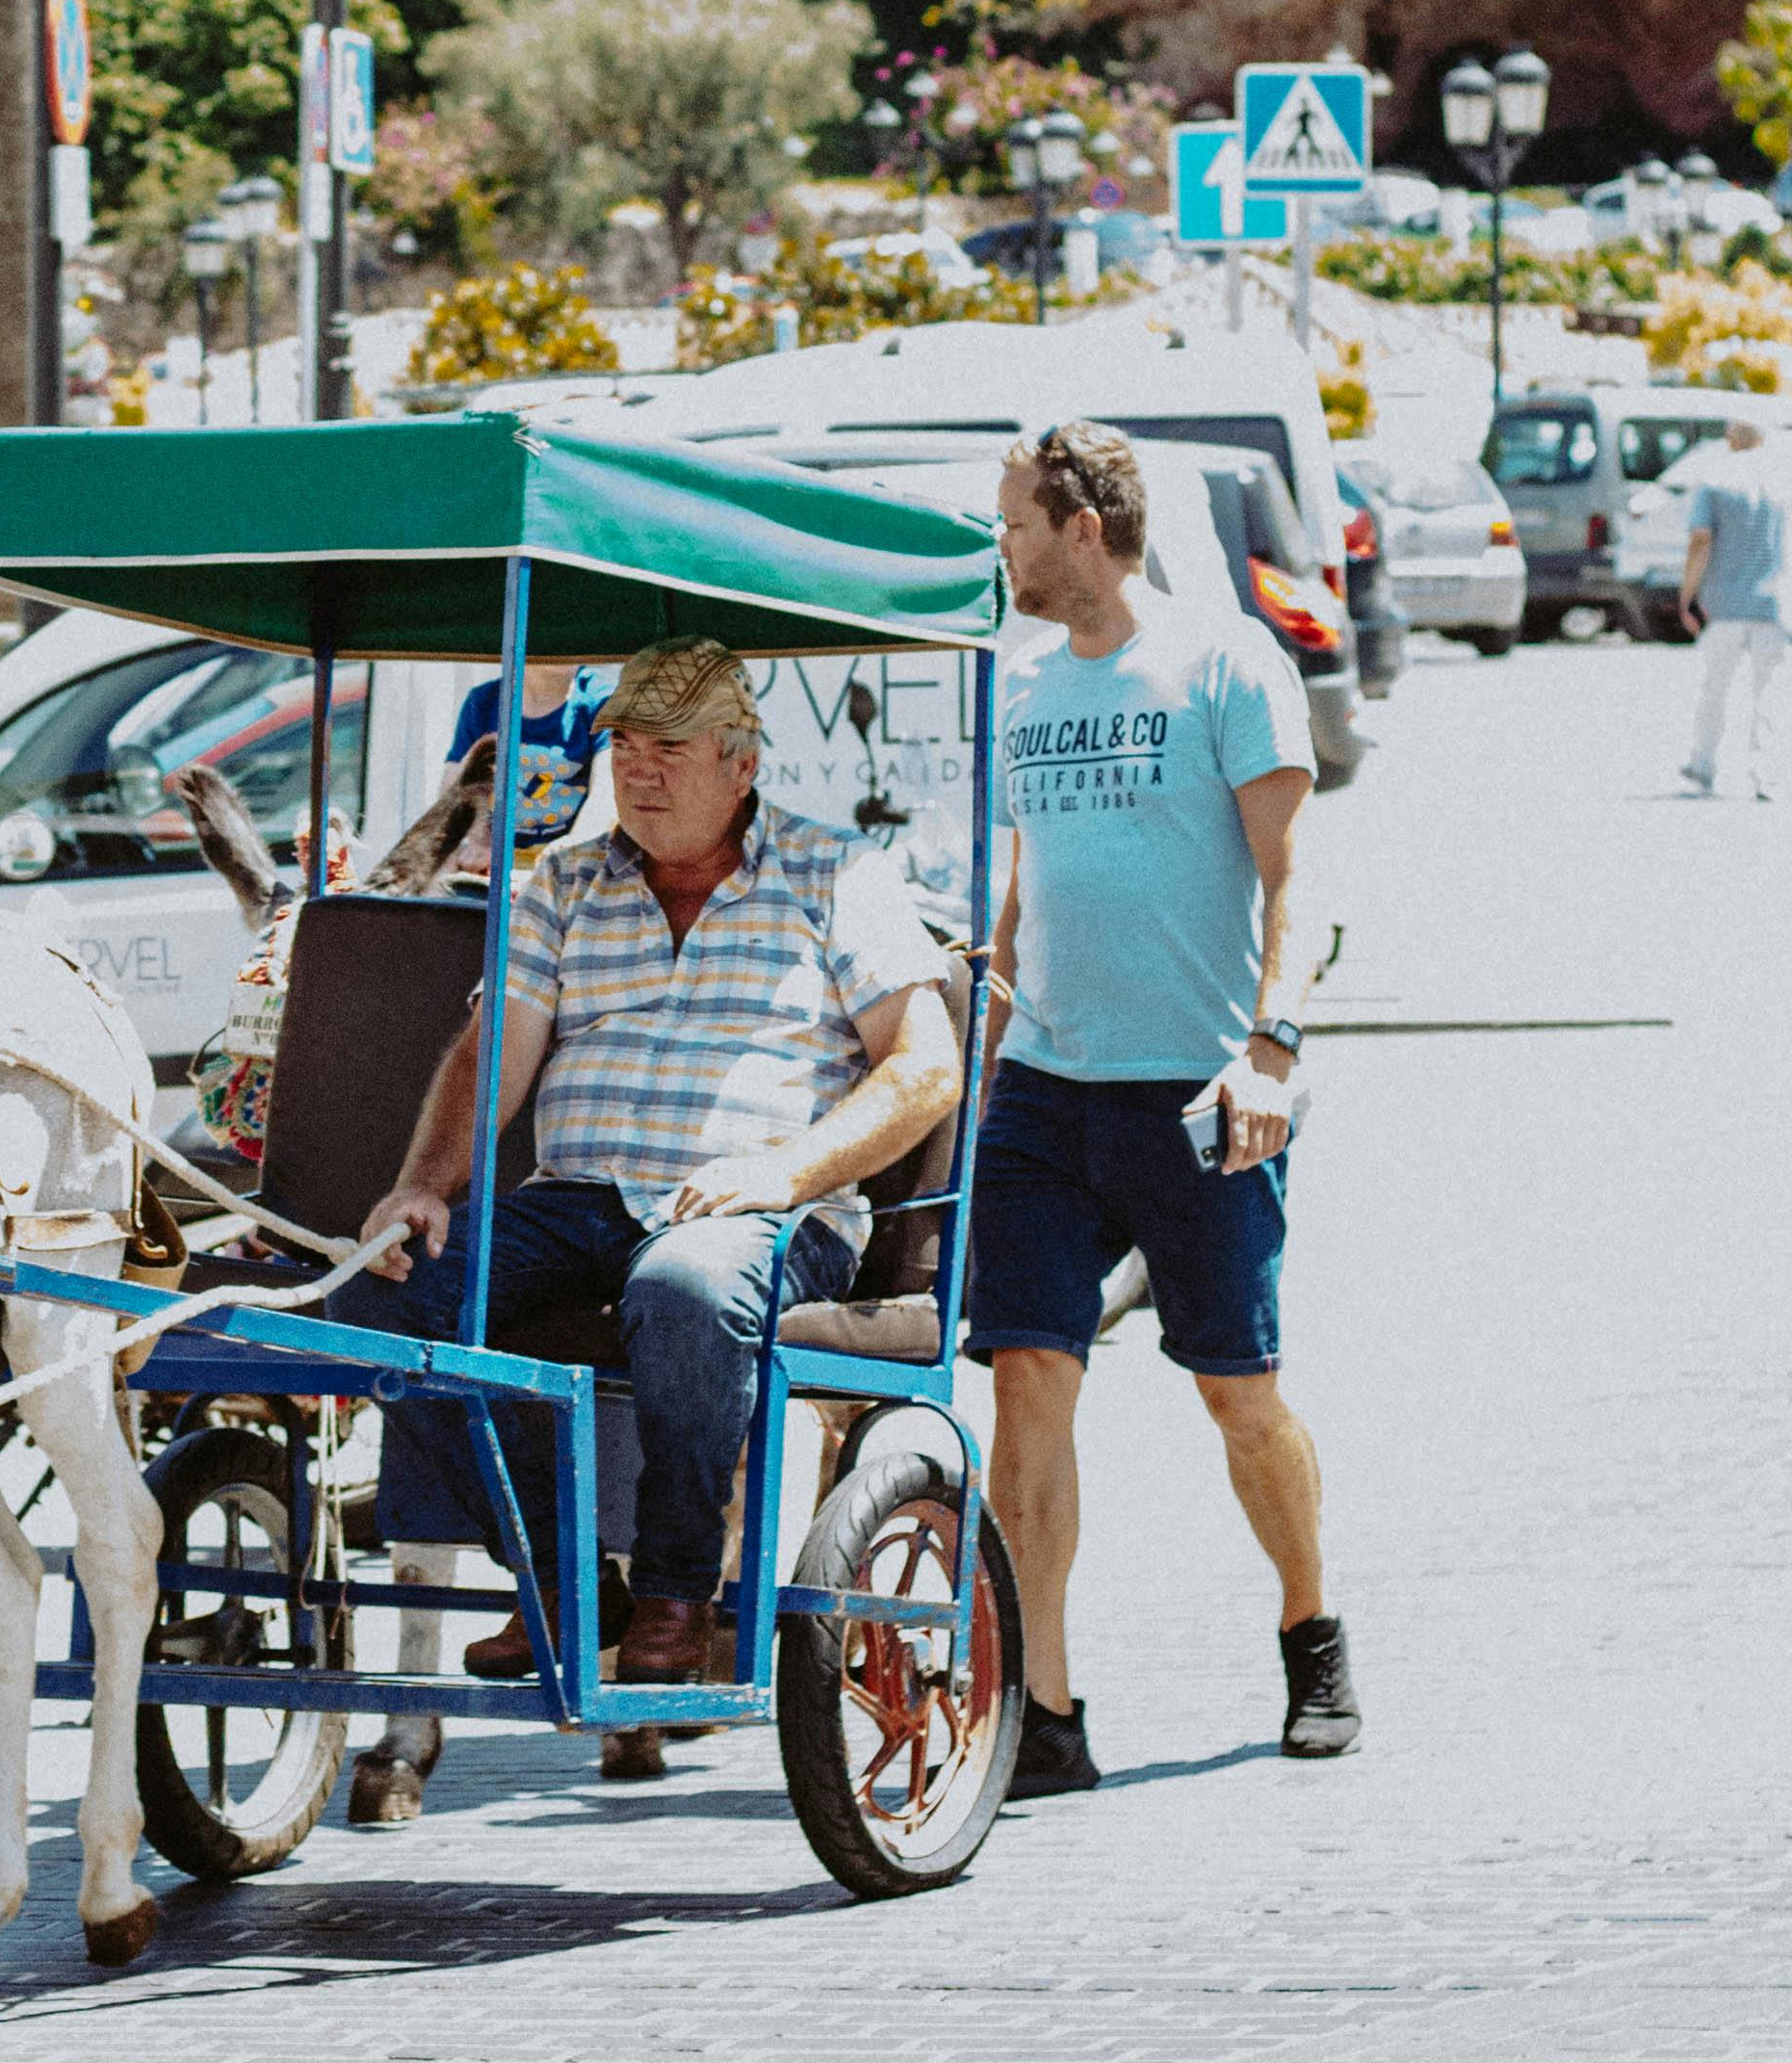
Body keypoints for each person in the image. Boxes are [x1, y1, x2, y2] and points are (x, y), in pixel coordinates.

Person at [346, 637, 960, 1813]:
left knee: (683, 1285)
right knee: (394, 1282)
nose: (639, 771)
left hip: (764, 1206)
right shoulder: (561, 884)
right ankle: (572, 1582)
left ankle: (679, 1591)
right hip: (579, 1197)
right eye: (624, 746)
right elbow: (493, 1058)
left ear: (741, 763)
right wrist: (424, 1182)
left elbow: (922, 1072)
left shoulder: (837, 873)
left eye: (668, 748)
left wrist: (782, 1172)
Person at [968, 420, 1358, 1798]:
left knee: (1235, 1392)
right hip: (1043, 1094)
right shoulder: (1022, 690)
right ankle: (1044, 1710)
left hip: (1197, 1093)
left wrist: (1271, 1050)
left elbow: (1292, 877)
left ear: (1081, 525)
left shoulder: (1222, 660)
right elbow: (1028, 887)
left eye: (1014, 520)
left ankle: (1310, 1625)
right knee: (1027, 1376)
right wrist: (986, 1014)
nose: (999, 543)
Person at [1678, 415, 1792, 800]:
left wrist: (1687, 593)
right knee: (1768, 691)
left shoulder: (1716, 478)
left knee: (1715, 689)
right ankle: (1765, 772)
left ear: (1731, 438)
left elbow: (1701, 540)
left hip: (1723, 603)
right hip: (1776, 602)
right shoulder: (1791, 479)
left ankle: (1703, 763)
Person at [438, 660, 612, 856]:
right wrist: (479, 841)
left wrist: (573, 849)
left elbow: (607, 794)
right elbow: (454, 789)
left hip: (568, 856)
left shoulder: (601, 699)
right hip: (494, 857)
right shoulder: (483, 702)